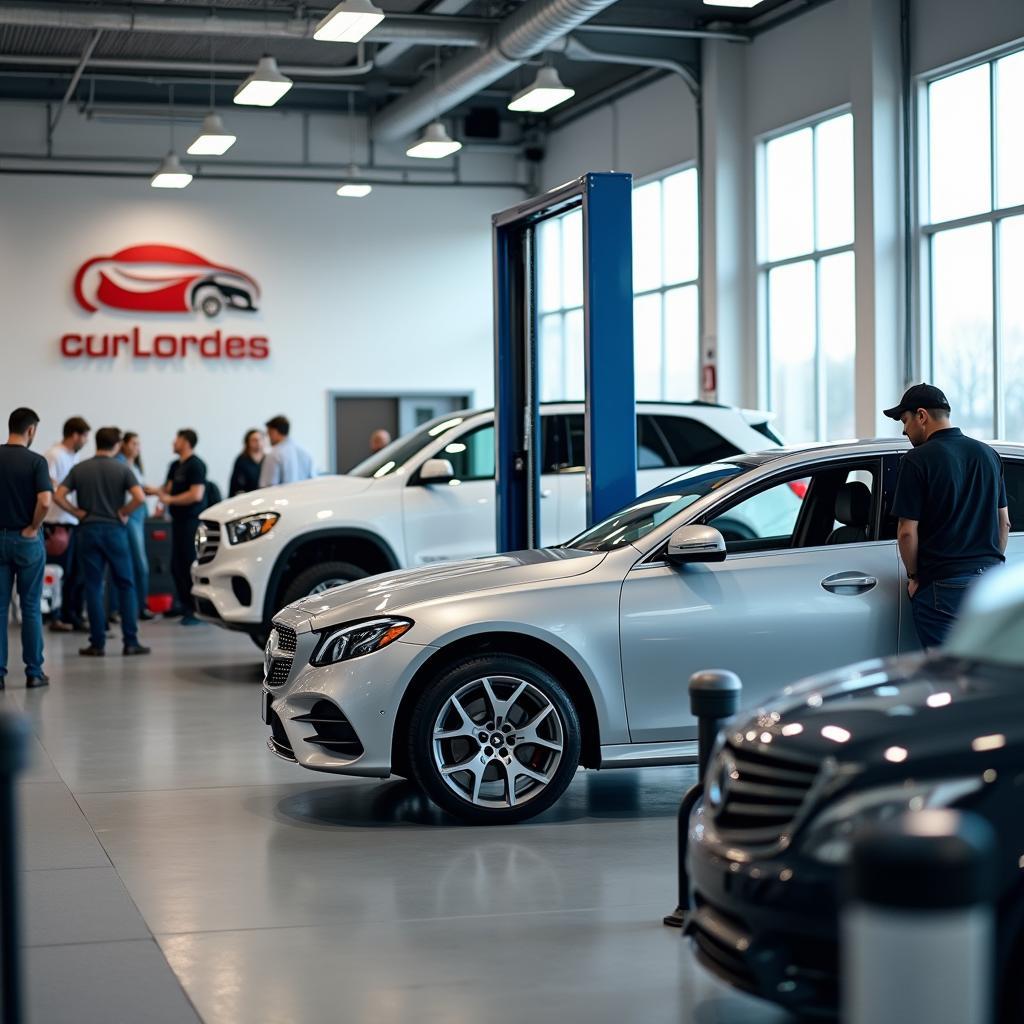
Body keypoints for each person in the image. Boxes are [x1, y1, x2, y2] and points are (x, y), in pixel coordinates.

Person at [885, 383, 1010, 649]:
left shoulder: (916, 460)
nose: (904, 430)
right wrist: (989, 565)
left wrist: (915, 576)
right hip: (989, 583)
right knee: (983, 670)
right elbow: (1004, 523)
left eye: (905, 421)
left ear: (922, 416)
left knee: (947, 675)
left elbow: (906, 532)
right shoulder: (988, 455)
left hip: (943, 585)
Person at [55, 427, 150, 658]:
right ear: (116, 445)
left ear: (96, 443)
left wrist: (77, 513)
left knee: (94, 587)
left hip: (88, 532)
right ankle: (130, 642)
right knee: (125, 584)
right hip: (115, 532)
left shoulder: (80, 469)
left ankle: (97, 644)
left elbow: (59, 495)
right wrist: (124, 512)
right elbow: (140, 497)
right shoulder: (123, 469)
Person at [0, 408, 53, 688]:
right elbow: (45, 501)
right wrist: (33, 527)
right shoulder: (36, 462)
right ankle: (34, 672)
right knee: (30, 607)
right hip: (27, 541)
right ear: (30, 430)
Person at [44, 415, 90, 633]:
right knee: (57, 575)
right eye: (85, 436)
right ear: (74, 435)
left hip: (72, 523)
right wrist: (74, 510)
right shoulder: (54, 455)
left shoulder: (74, 457)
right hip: (57, 524)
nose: (86, 441)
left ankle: (71, 615)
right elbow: (52, 489)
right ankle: (55, 617)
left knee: (75, 574)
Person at [156, 429, 207, 626]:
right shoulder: (175, 465)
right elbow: (166, 489)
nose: (173, 442)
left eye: (176, 439)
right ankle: (185, 605)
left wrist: (170, 500)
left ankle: (196, 610)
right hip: (176, 522)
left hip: (191, 522)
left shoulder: (196, 465)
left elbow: (196, 495)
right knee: (176, 566)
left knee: (188, 564)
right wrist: (152, 492)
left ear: (185, 442)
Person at [117, 432, 152, 621]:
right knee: (138, 562)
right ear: (124, 444)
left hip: (138, 515)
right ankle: (137, 606)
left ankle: (139, 605)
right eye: (134, 443)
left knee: (136, 562)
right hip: (129, 515)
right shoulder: (120, 463)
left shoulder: (136, 465)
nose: (137, 447)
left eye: (139, 443)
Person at [259, 415, 315, 488]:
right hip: (304, 497)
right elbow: (312, 482)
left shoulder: (273, 454)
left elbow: (267, 487)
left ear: (274, 432)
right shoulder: (306, 452)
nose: (268, 438)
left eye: (268, 434)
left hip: (281, 498)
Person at [230, 429, 264, 496]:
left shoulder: (267, 458)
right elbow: (235, 484)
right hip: (248, 496)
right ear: (248, 442)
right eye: (254, 440)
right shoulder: (241, 460)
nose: (258, 443)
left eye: (260, 439)